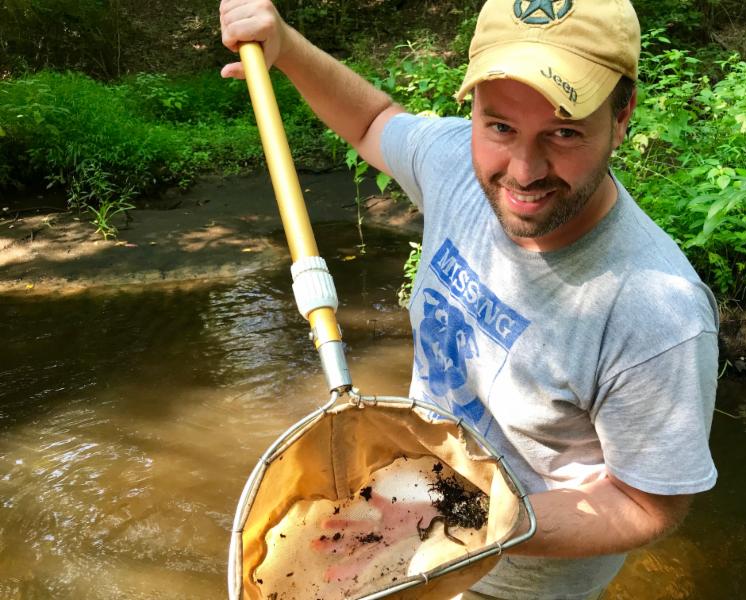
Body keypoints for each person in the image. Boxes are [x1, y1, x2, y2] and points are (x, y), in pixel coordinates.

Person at [219, 0, 719, 598]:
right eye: (500, 127)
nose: (524, 171)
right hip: (408, 504)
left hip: (522, 579)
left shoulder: (658, 312)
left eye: (564, 132)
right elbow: (373, 121)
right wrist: (288, 49)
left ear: (622, 114)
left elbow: (647, 506)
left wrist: (462, 520)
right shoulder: (456, 161)